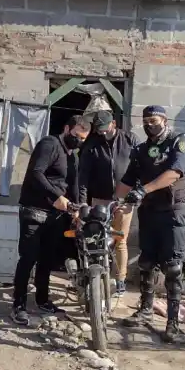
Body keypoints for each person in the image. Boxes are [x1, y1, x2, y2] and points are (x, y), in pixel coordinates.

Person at [114, 105, 185, 343]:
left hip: (173, 211)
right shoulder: (141, 150)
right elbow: (128, 181)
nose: (149, 125)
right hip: (149, 211)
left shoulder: (179, 141)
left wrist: (143, 190)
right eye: (146, 121)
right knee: (146, 263)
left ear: (164, 120)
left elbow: (174, 172)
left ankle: (173, 323)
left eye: (154, 121)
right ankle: (145, 310)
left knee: (173, 267)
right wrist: (115, 202)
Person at [11, 115, 91, 326]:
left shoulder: (73, 156)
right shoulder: (49, 144)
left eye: (84, 139)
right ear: (66, 128)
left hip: (56, 216)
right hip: (34, 211)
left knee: (47, 260)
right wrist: (56, 197)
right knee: (28, 258)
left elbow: (73, 185)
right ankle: (18, 305)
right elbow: (36, 173)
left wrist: (77, 208)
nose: (79, 141)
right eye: (77, 136)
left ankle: (42, 300)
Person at [78, 110, 139, 293]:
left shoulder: (130, 140)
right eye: (99, 129)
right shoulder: (92, 144)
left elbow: (141, 167)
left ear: (113, 123)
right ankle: (92, 276)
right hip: (99, 198)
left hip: (123, 200)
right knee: (95, 239)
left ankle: (120, 279)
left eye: (105, 128)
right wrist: (83, 202)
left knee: (120, 239)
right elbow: (83, 175)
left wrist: (136, 192)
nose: (102, 132)